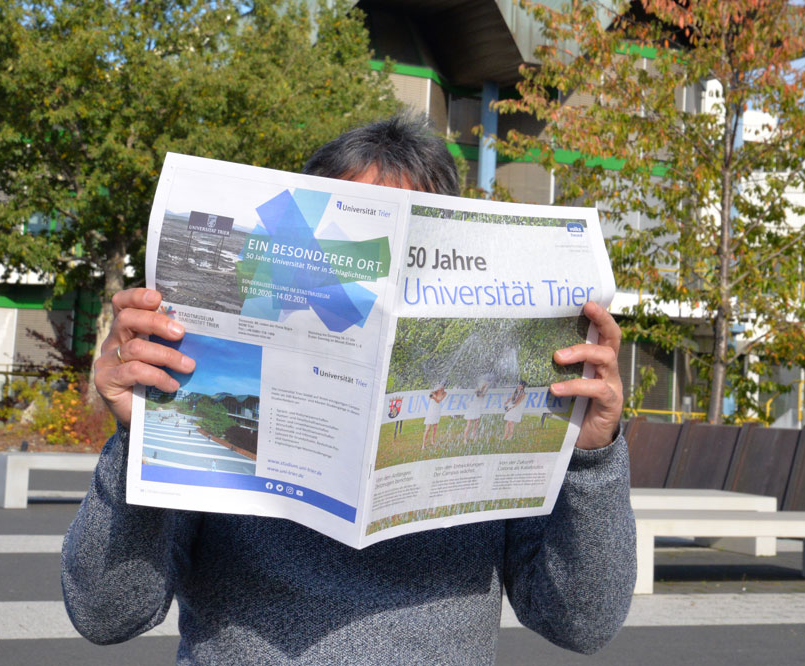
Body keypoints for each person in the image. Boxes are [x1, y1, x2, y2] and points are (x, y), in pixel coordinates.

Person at [62, 114, 635, 665]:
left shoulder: (497, 389)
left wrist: (590, 458)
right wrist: (135, 433)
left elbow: (581, 624)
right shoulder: (203, 385)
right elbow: (106, 613)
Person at [421, 383, 447, 449]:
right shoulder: (433, 392)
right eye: (441, 386)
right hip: (431, 411)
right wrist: (433, 396)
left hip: (437, 411)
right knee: (427, 429)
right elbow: (430, 396)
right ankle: (423, 445)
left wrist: (434, 397)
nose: (442, 388)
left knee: (435, 428)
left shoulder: (444, 393)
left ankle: (432, 440)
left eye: (443, 386)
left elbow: (438, 400)